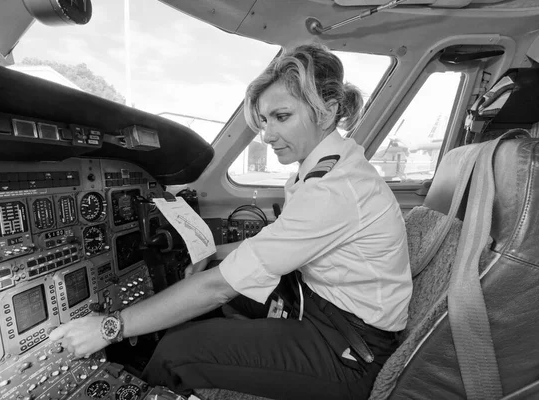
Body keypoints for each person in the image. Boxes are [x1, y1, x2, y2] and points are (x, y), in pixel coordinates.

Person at [49, 43, 412, 400]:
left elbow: (217, 288)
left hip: (348, 351)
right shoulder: (323, 168)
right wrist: (213, 252)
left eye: (281, 117)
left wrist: (110, 327)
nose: (267, 135)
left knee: (176, 350)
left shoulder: (334, 189)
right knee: (233, 298)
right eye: (265, 120)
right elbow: (275, 242)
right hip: (319, 304)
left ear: (327, 112)